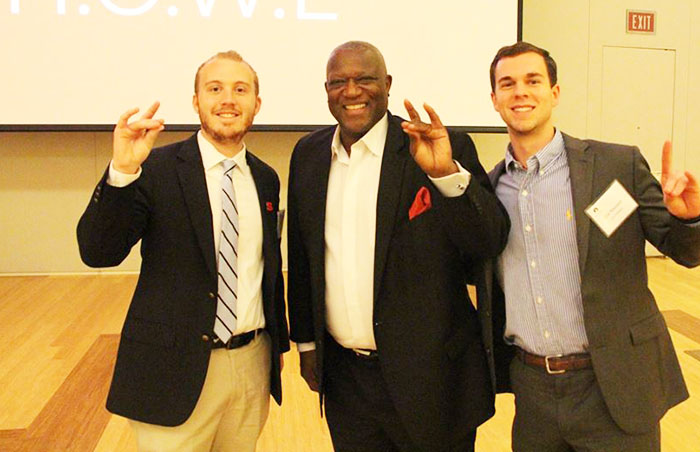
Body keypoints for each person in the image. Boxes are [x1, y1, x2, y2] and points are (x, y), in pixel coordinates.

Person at [286, 40, 510, 452]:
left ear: (387, 84)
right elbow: (303, 260)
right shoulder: (309, 155)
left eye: (365, 79)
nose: (352, 91)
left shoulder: (439, 148)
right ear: (326, 90)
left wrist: (446, 176)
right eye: (339, 82)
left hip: (433, 383)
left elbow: (487, 240)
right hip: (347, 383)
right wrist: (307, 344)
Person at [487, 41, 700, 451]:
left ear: (555, 92)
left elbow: (685, 251)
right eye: (507, 84)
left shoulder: (614, 166)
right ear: (494, 100)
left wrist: (689, 218)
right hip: (533, 392)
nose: (521, 92)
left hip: (613, 383)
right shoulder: (491, 189)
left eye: (533, 80)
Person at [77, 50, 289, 452]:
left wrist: (275, 349)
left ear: (256, 105)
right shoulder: (154, 169)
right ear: (196, 102)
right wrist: (121, 172)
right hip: (171, 370)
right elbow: (97, 251)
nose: (228, 99)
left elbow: (265, 270)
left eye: (240, 89)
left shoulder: (265, 178)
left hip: (250, 366)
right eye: (215, 89)